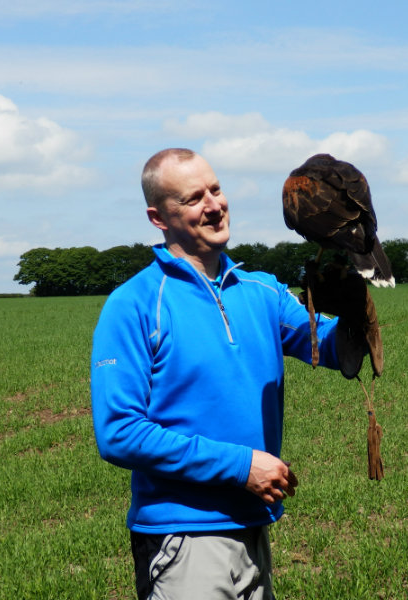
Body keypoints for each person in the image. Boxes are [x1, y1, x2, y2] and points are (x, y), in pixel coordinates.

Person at [90, 148, 347, 599]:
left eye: (216, 189)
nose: (213, 205)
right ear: (158, 217)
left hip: (253, 526)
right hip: (183, 538)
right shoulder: (134, 304)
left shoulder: (261, 289)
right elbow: (119, 433)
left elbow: (329, 348)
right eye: (193, 198)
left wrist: (356, 286)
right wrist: (241, 465)